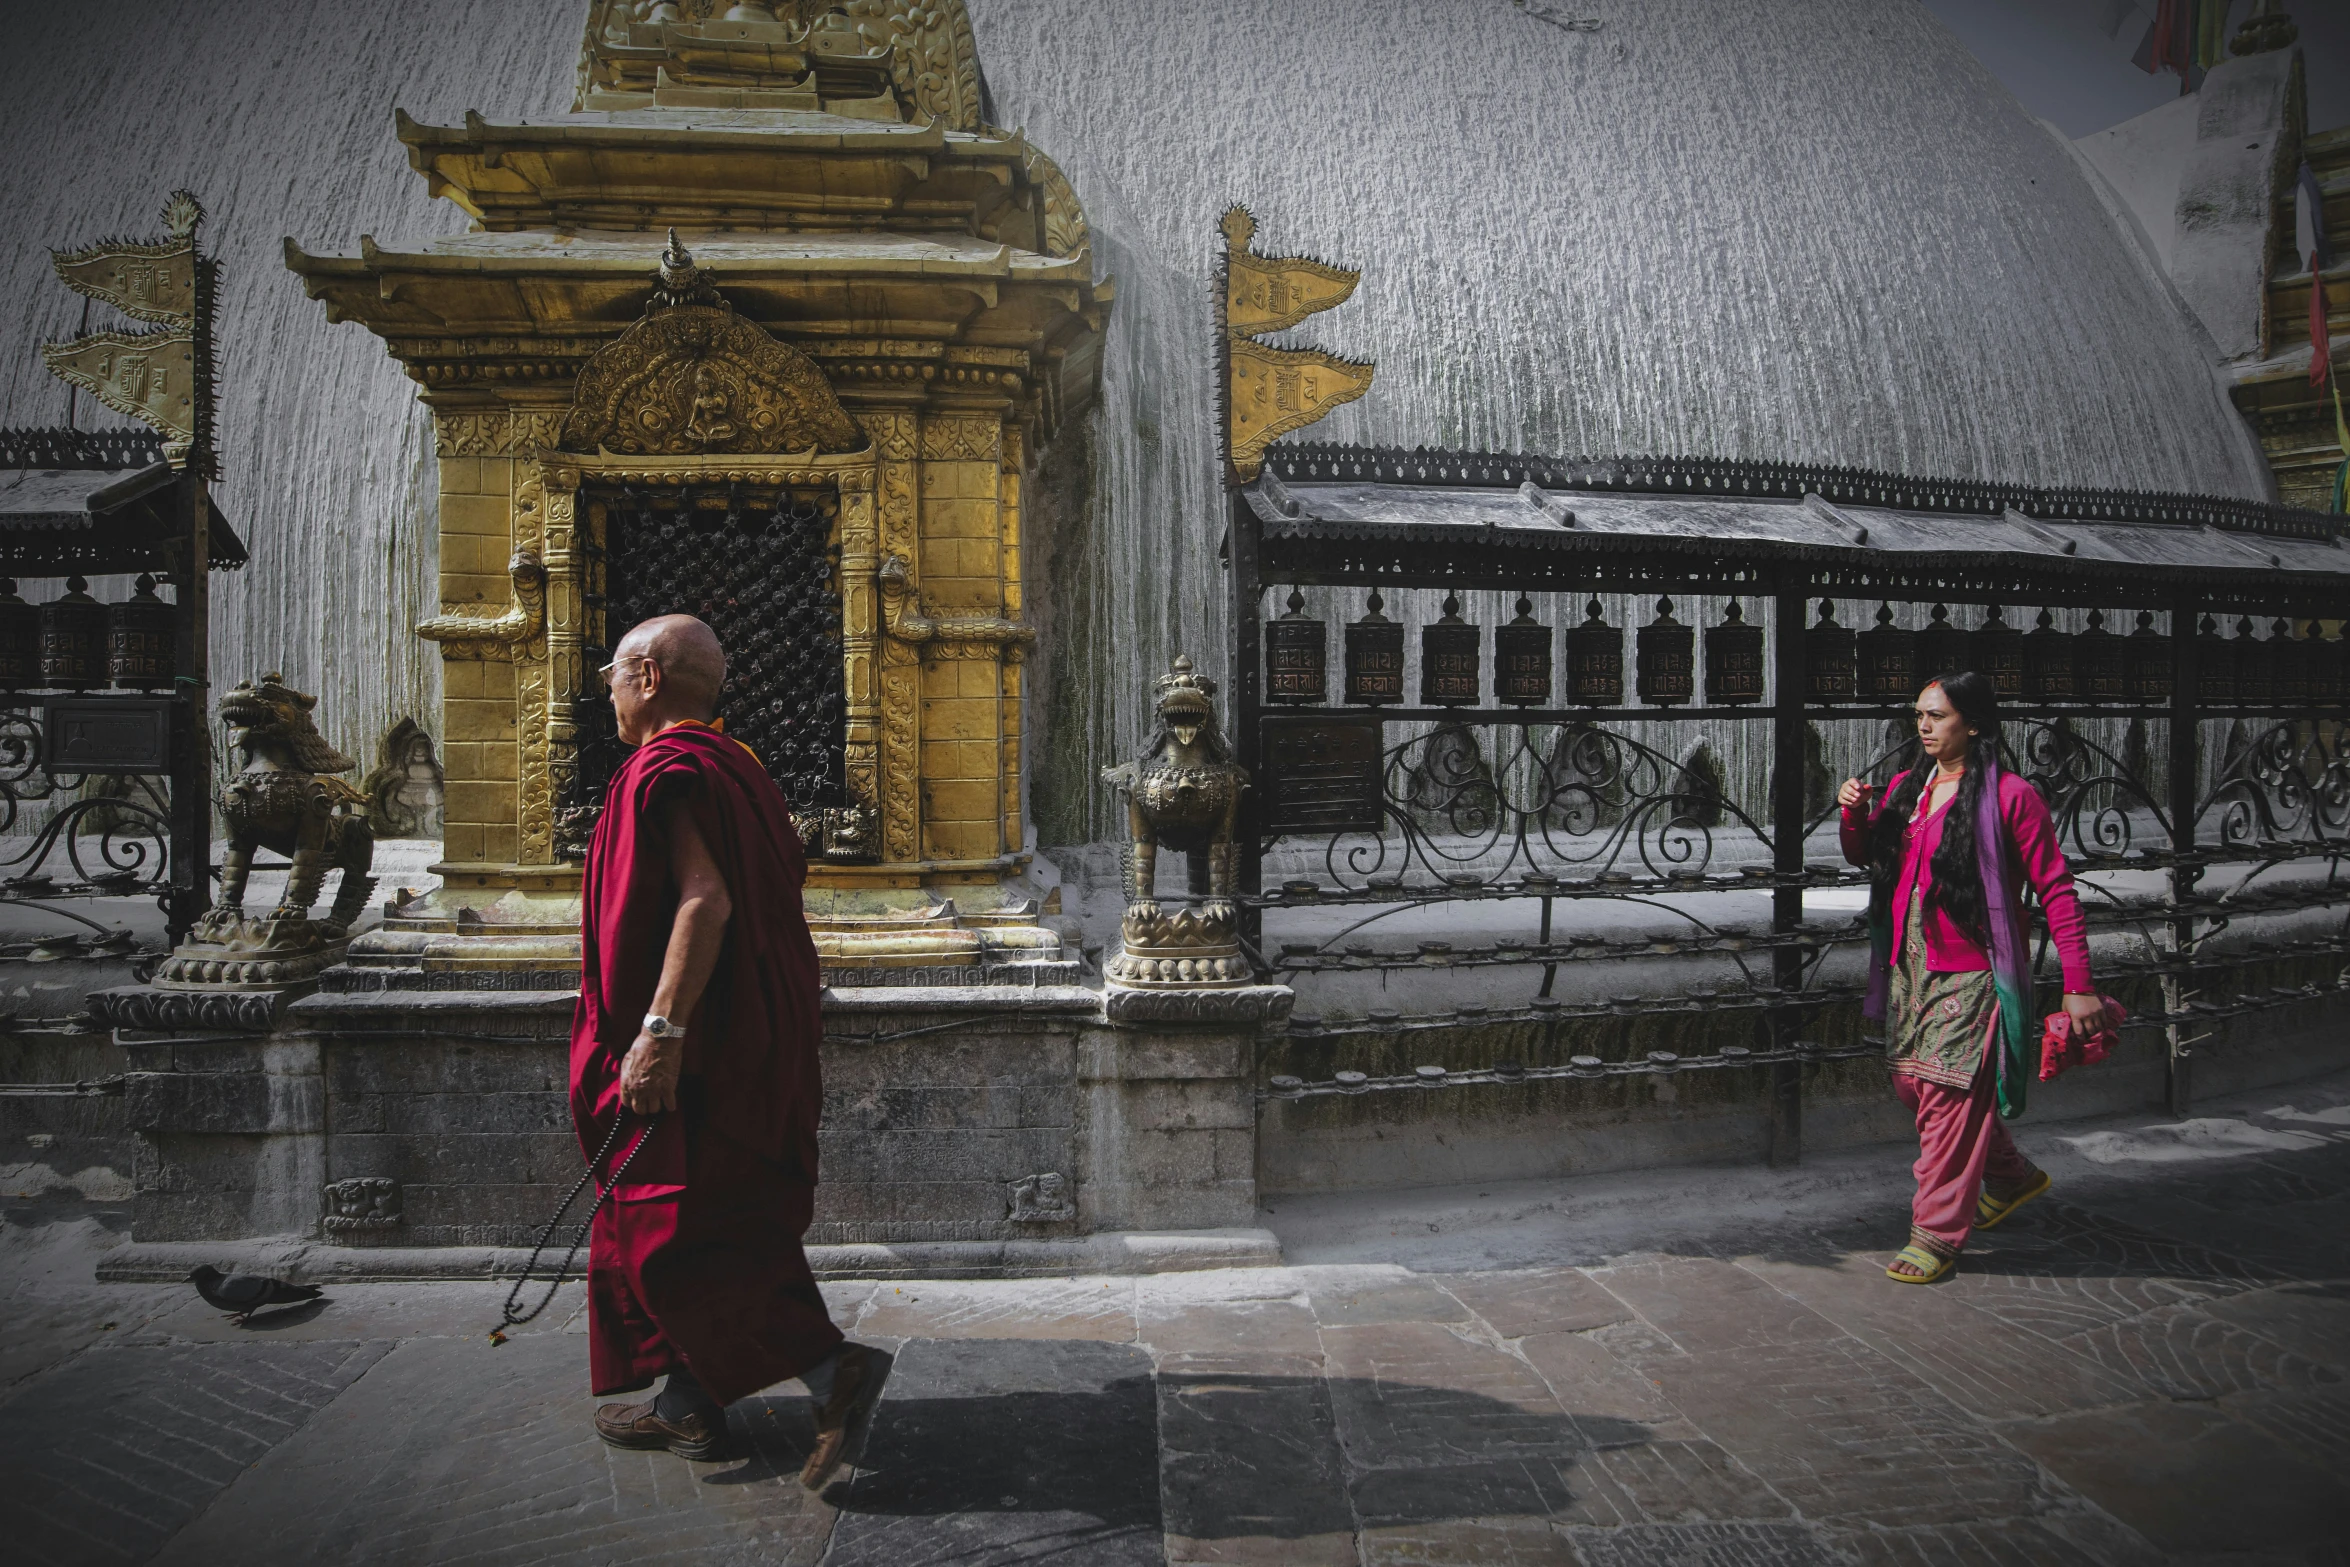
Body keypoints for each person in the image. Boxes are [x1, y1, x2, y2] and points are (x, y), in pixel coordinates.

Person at [570, 612, 889, 1486]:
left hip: (696, 1044)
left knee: (676, 1225)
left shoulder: (669, 770)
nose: (603, 687)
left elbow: (705, 903)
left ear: (644, 677)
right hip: (746, 1037)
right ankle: (687, 1402)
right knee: (704, 1207)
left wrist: (658, 1034)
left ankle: (835, 1370)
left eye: (610, 671)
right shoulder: (737, 766)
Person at [1837, 671, 2110, 1284]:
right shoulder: (1910, 786)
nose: (1924, 726)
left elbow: (2058, 890)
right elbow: (1863, 855)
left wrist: (2078, 981)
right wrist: (1854, 814)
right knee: (1915, 1086)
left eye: (1936, 715)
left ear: (1975, 724)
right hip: (1910, 963)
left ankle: (1935, 1232)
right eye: (1919, 715)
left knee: (1948, 1096)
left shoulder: (2012, 796)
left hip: (1977, 969)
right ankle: (2012, 1176)